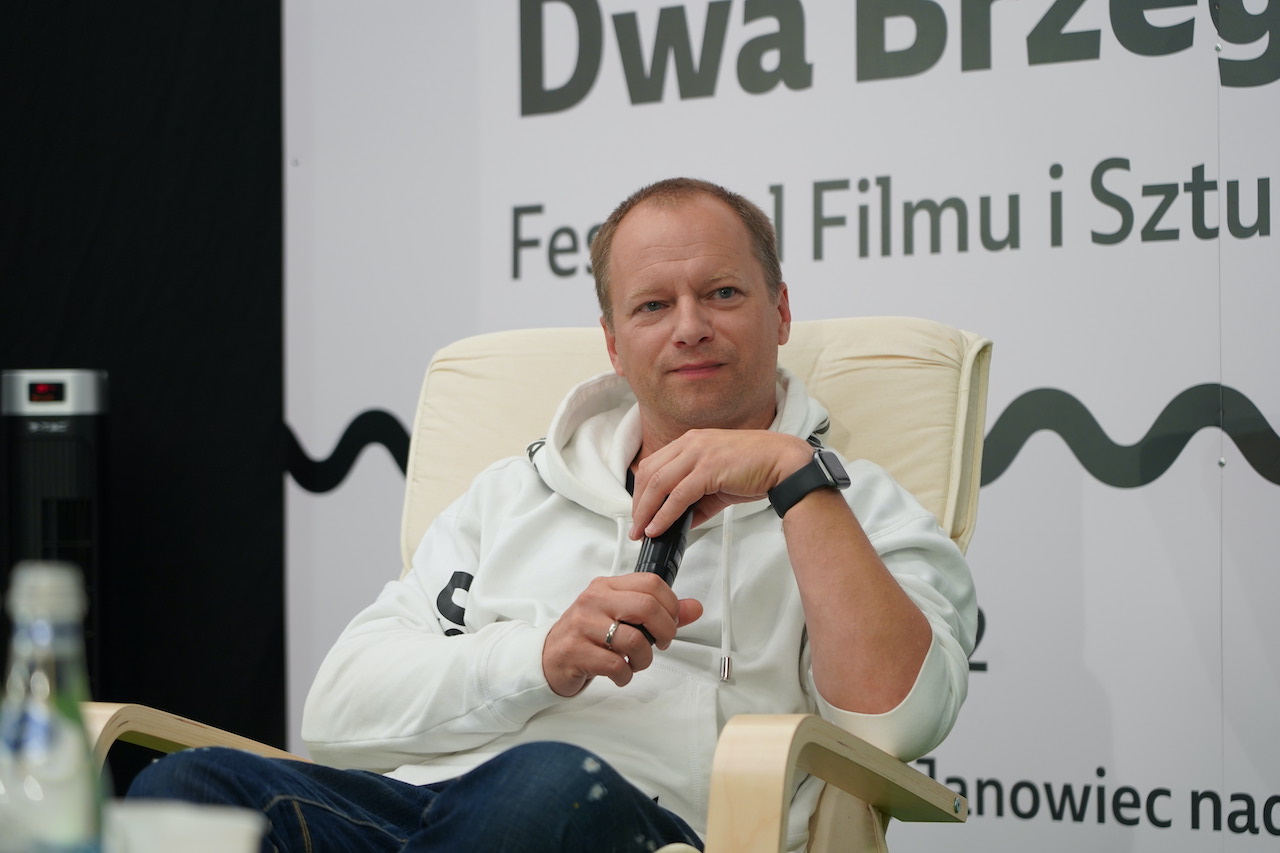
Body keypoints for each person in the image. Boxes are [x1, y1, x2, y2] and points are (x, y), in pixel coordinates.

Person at [128, 177, 977, 852]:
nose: (689, 327)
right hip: (412, 813)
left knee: (540, 786)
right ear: (613, 342)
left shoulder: (852, 503)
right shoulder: (513, 491)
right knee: (186, 789)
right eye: (652, 305)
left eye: (721, 292)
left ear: (780, 312)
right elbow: (336, 713)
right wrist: (538, 656)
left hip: (624, 819)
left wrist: (794, 479)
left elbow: (894, 724)